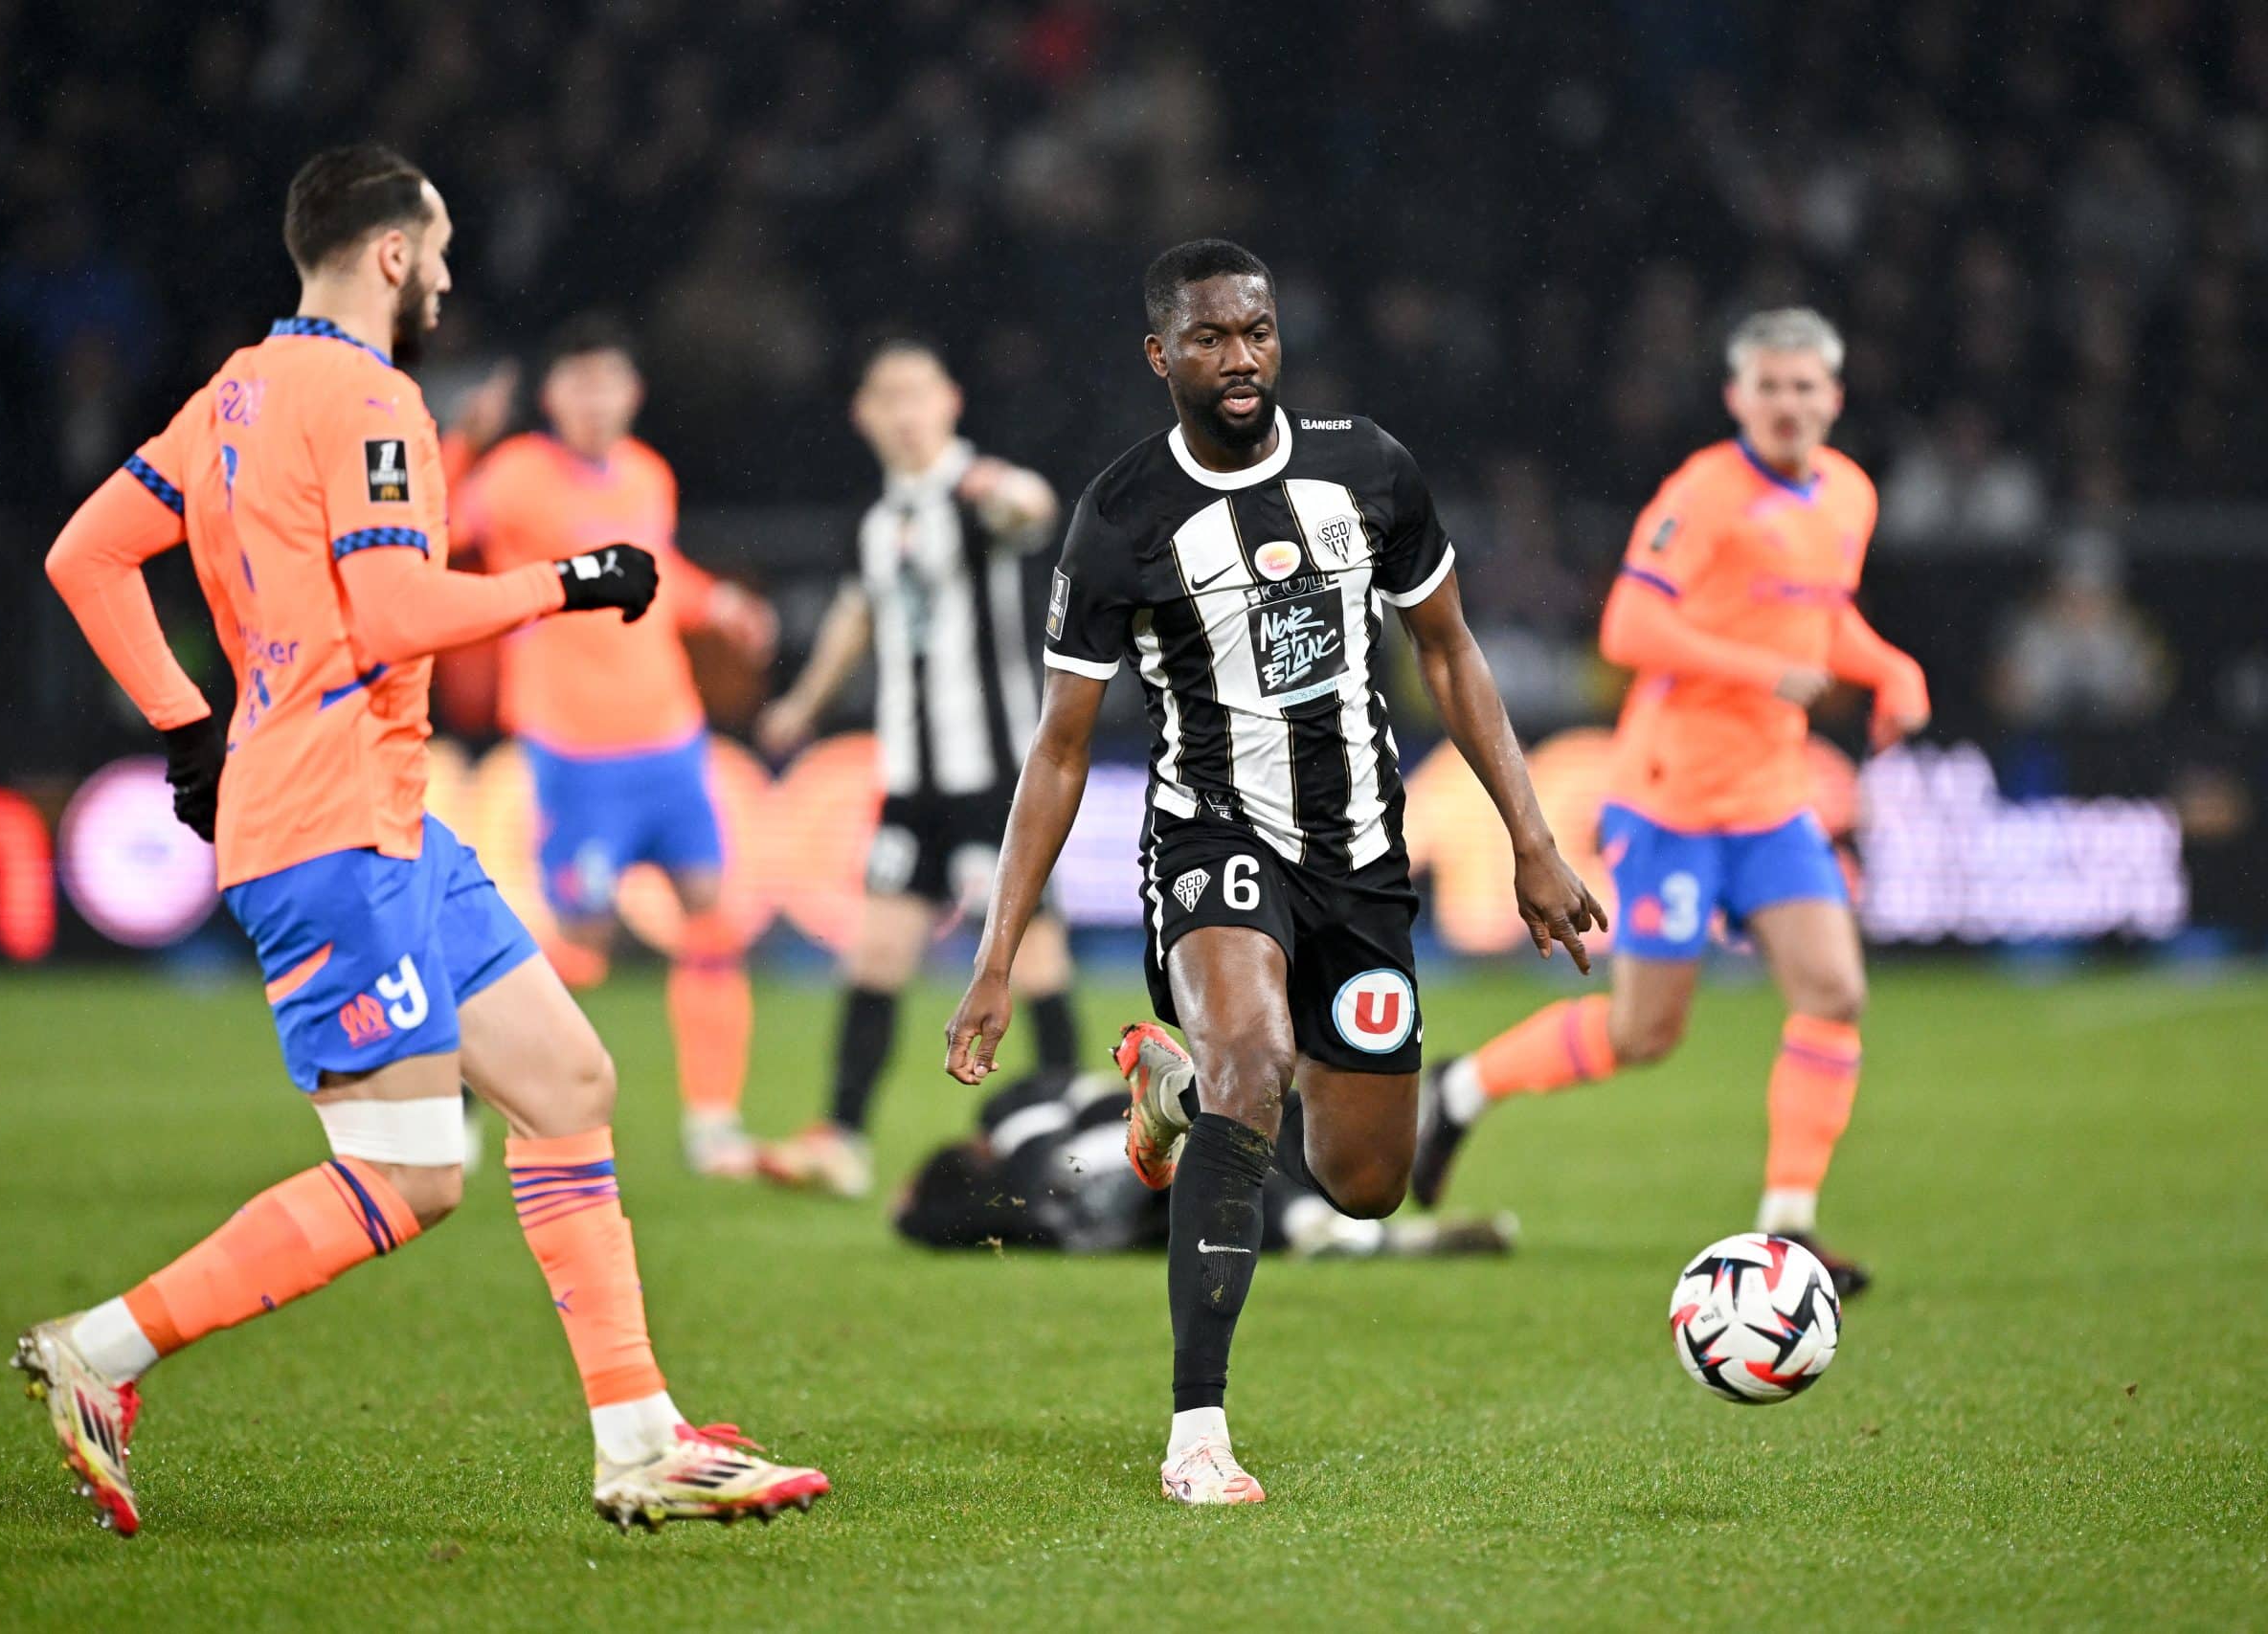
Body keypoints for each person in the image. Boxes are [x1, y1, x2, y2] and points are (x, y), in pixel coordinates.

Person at [24, 144, 825, 1536]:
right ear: (392, 252)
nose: (449, 275)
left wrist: (186, 724)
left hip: (383, 817)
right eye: (439, 249)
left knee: (570, 1077)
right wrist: (567, 581)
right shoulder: (373, 397)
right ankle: (101, 1349)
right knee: (409, 1176)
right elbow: (393, 615)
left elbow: (85, 553)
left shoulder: (232, 394)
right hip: (331, 827)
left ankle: (639, 1435)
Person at [942, 240, 1605, 1505]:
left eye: (1255, 332)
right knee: (1254, 1064)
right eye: (1209, 339)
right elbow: (1061, 749)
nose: (1238, 357)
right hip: (1212, 839)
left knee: (1364, 1182)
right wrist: (992, 957)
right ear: (1160, 356)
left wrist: (1530, 837)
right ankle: (1198, 1428)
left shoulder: (1369, 468)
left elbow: (1451, 653)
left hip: (1360, 859)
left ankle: (1173, 1096)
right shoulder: (1123, 517)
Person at [1411, 308, 1930, 1301]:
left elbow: (1822, 619)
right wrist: (1759, 670)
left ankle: (1787, 1226)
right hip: (1673, 798)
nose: (1786, 404)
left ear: (1833, 397)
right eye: (1767, 387)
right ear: (1737, 399)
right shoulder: (1703, 494)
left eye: (1803, 386)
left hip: (1772, 801)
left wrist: (1890, 667)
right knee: (1646, 1032)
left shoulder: (1848, 496)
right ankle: (1461, 1091)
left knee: (1834, 991)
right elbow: (1628, 623)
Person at [450, 313, 776, 1177]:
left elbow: (657, 570)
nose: (595, 400)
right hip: (575, 754)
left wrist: (719, 605)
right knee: (581, 942)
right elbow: (432, 534)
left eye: (610, 382)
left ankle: (713, 1121)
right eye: (578, 382)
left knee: (712, 915)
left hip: (669, 744)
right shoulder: (513, 475)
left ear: (633, 393)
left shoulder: (646, 473)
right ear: (550, 394)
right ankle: (463, 1078)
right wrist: (461, 445)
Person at [754, 338, 1081, 1198]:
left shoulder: (977, 494)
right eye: (886, 396)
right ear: (864, 415)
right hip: (911, 783)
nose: (903, 411)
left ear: (950, 402)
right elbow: (858, 615)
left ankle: (1080, 1143)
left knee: (1033, 962)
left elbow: (1032, 509)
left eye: (917, 393)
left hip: (997, 779)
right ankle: (846, 1140)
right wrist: (802, 705)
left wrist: (1013, 490)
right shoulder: (880, 520)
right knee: (875, 955)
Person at [893, 1061, 1516, 1261]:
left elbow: (926, 1222)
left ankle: (1342, 1229)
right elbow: (1100, 1095)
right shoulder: (1015, 1116)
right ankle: (1340, 1217)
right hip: (1120, 1154)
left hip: (1103, 1204)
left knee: (1220, 1200)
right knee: (1234, 1149)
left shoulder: (1010, 1196)